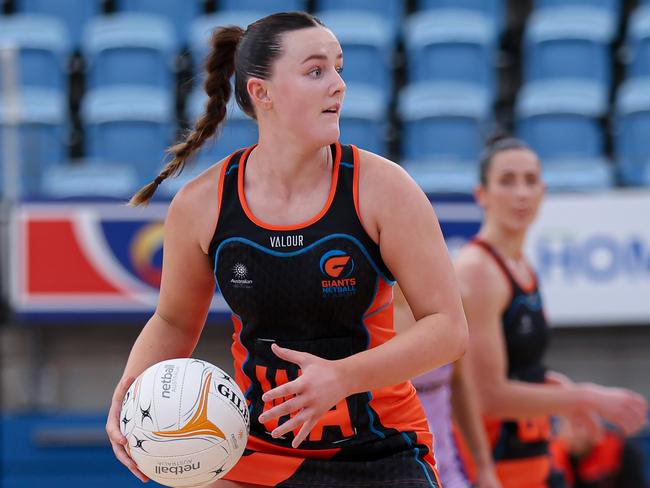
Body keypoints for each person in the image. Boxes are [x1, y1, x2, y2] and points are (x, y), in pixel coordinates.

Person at [105, 12, 469, 488]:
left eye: (339, 68)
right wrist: (131, 391)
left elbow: (449, 330)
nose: (338, 85)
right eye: (316, 71)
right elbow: (174, 321)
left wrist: (341, 377)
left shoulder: (384, 189)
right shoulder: (202, 204)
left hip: (381, 447)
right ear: (262, 92)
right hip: (258, 448)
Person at [454, 133, 648, 488]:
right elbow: (488, 396)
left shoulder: (522, 266)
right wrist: (587, 397)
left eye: (530, 181)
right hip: (489, 467)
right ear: (482, 195)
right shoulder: (477, 271)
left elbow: (521, 369)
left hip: (531, 460)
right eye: (507, 181)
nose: (521, 192)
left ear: (543, 191)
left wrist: (563, 391)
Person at [394, 285, 502, 488]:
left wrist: (484, 466)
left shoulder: (454, 295)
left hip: (447, 465)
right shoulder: (372, 302)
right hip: (398, 465)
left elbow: (461, 384)